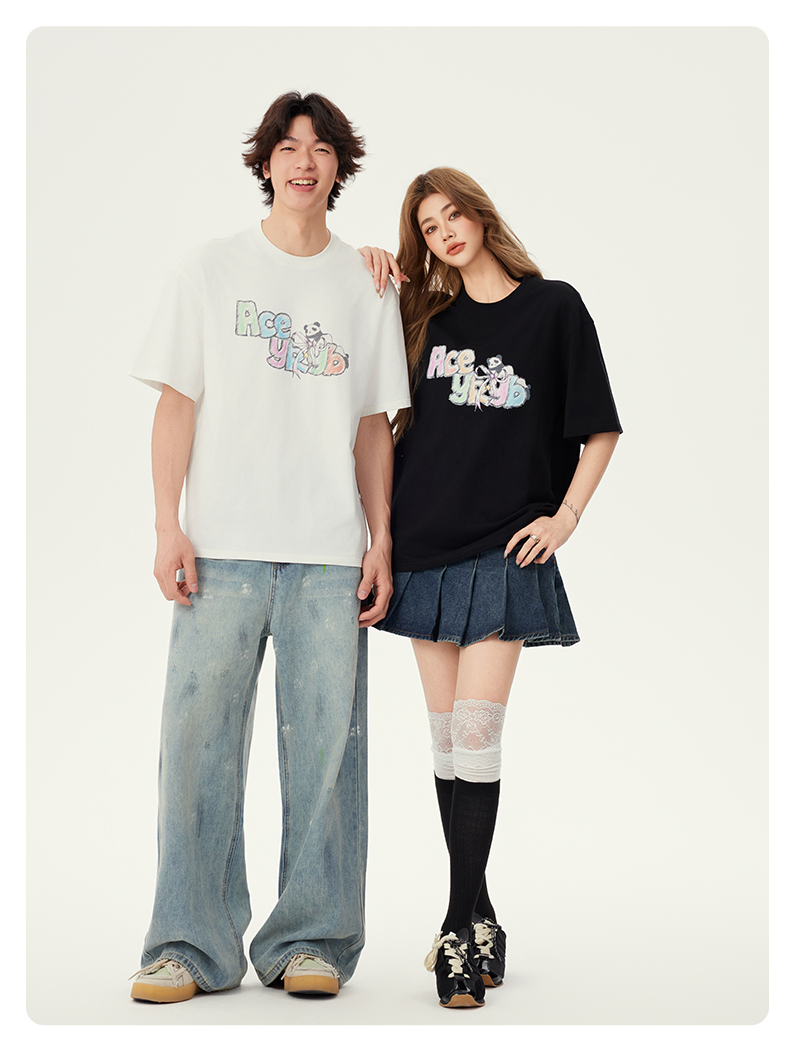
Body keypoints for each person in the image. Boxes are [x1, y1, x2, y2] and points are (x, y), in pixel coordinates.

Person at [127, 91, 410, 1004]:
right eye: (288, 147)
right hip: (222, 548)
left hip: (329, 552)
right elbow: (177, 404)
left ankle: (312, 940)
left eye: (321, 149)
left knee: (328, 754)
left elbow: (372, 426)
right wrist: (167, 523)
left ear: (339, 167)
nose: (304, 162)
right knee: (196, 748)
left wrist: (381, 539)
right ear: (265, 163)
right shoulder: (210, 269)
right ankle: (187, 944)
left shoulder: (366, 284)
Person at [366, 168, 621, 1008]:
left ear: (480, 215)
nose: (445, 232)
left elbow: (600, 427)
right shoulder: (422, 317)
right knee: (446, 747)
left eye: (453, 215)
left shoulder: (554, 309)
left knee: (477, 738)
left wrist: (566, 517)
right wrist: (369, 262)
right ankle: (482, 921)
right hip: (424, 545)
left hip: (505, 547)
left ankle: (453, 929)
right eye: (427, 226)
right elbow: (371, 390)